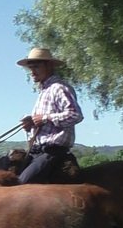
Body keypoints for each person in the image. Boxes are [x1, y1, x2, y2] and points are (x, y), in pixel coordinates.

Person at [16, 48, 84, 184]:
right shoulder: (44, 91)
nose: (32, 72)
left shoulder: (59, 88)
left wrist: (45, 118)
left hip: (53, 152)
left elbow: (76, 115)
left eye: (36, 67)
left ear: (49, 66)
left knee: (21, 185)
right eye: (30, 68)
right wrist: (31, 124)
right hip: (37, 151)